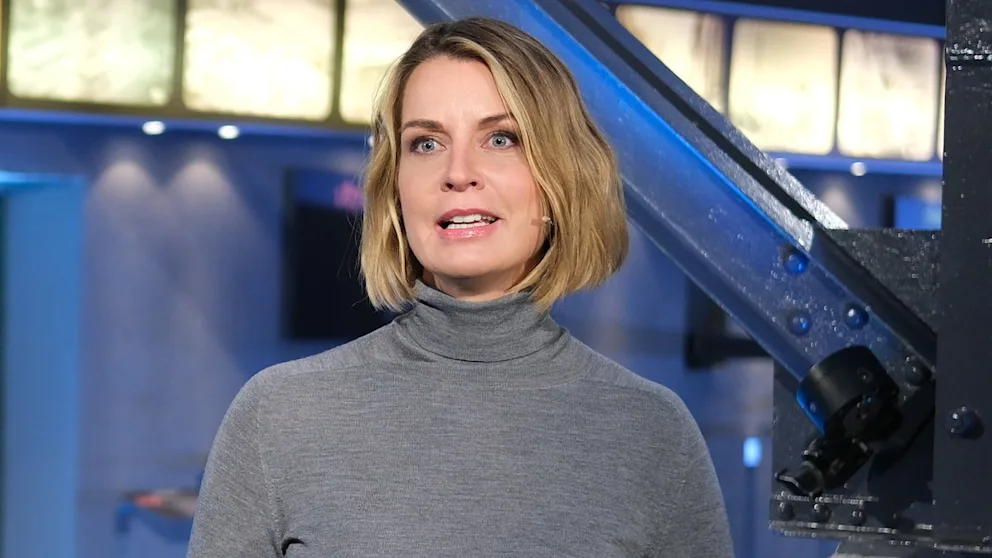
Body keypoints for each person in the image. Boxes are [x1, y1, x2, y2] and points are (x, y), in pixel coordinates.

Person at [188, 16, 733, 558]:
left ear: (561, 176)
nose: (458, 172)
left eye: (501, 138)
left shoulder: (652, 432)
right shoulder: (279, 416)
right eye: (426, 143)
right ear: (396, 187)